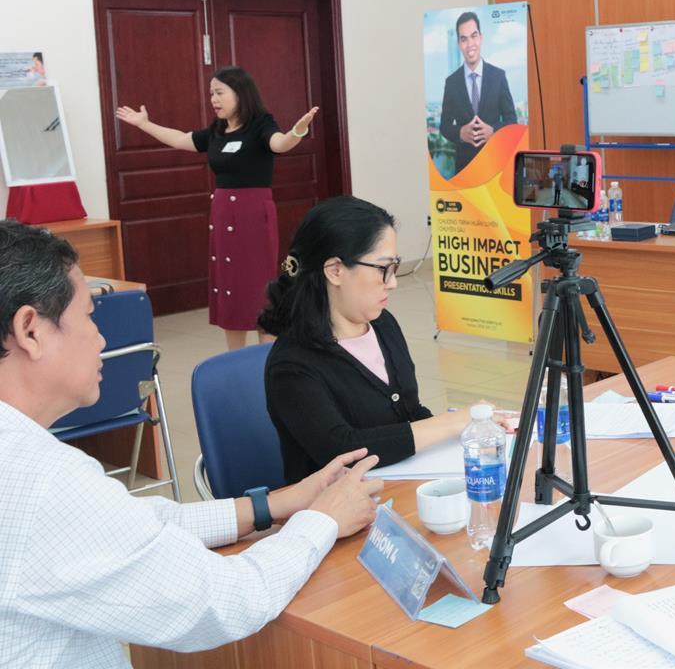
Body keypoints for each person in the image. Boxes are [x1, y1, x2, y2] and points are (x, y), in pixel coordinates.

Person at [0, 220, 383, 669]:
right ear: (30, 330)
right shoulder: (43, 482)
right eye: (88, 316)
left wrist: (273, 505)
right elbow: (228, 601)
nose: (101, 338)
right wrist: (323, 520)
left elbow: (129, 526)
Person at [261, 196, 473, 484]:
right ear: (335, 270)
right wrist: (450, 423)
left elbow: (410, 410)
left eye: (395, 267)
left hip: (398, 485)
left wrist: (468, 431)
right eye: (383, 269)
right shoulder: (292, 364)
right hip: (335, 503)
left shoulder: (383, 324)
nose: (393, 282)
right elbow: (342, 449)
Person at [116, 66, 318, 351]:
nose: (214, 99)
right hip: (223, 214)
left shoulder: (260, 123)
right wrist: (144, 124)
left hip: (252, 215)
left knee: (258, 284)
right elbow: (180, 139)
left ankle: (266, 356)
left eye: (220, 92)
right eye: (212, 93)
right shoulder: (217, 131)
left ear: (240, 93)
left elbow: (280, 144)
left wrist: (298, 131)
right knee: (229, 284)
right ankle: (234, 357)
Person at [438, 11, 518, 174]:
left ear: (481, 38)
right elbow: (444, 126)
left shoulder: (498, 76)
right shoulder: (451, 82)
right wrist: (460, 133)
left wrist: (493, 131)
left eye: (473, 36)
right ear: (459, 44)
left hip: (494, 166)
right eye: (464, 39)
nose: (470, 44)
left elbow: (512, 120)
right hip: (464, 170)